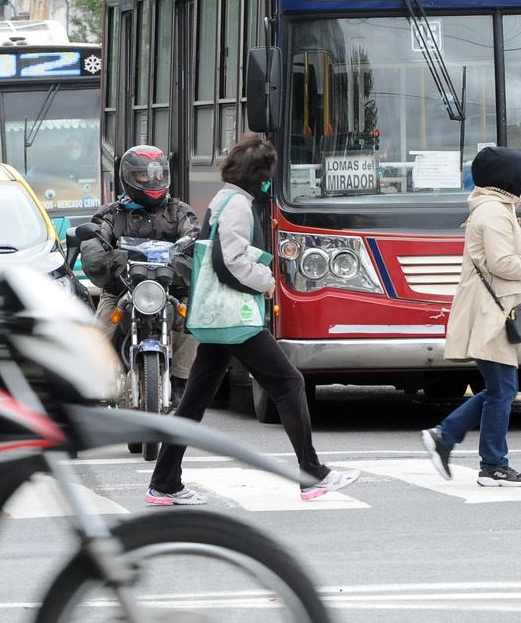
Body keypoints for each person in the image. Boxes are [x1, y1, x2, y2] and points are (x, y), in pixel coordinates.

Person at [145, 134, 360, 505]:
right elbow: (229, 261)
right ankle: (311, 474)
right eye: (267, 174)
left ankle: (164, 481)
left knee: (194, 402)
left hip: (218, 318)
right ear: (258, 175)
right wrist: (266, 282)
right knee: (290, 384)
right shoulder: (238, 206)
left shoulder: (223, 198)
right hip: (236, 317)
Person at [421, 146, 521, 487]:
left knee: (500, 388)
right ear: (506, 178)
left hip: (495, 309)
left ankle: (446, 436)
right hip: (491, 313)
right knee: (502, 390)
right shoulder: (493, 213)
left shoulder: (495, 208)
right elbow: (501, 264)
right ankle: (492, 464)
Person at [80, 145, 200, 391]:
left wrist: (183, 261)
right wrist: (111, 261)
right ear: (129, 178)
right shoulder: (110, 214)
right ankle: (95, 388)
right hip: (121, 290)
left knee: (194, 322)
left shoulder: (179, 212)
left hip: (170, 290)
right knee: (99, 331)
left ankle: (180, 381)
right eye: (144, 176)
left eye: (158, 174)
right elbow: (93, 243)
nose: (152, 181)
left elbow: (196, 238)